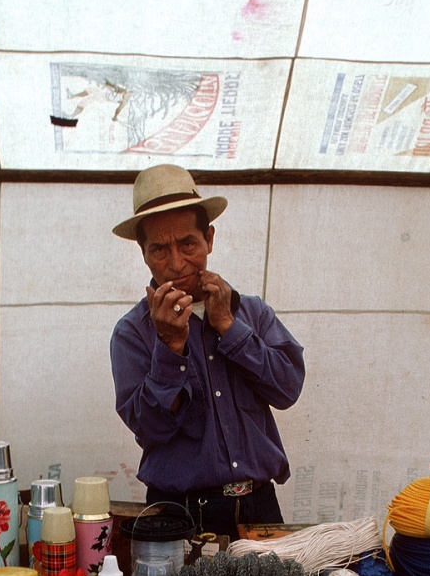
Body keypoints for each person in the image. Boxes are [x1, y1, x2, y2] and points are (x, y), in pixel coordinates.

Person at [110, 164, 305, 538]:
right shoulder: (132, 333)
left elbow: (287, 389)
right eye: (159, 249)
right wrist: (169, 347)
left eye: (188, 243)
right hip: (178, 516)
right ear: (143, 253)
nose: (177, 262)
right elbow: (151, 429)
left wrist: (231, 330)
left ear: (209, 239)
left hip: (260, 509)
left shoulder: (251, 313)